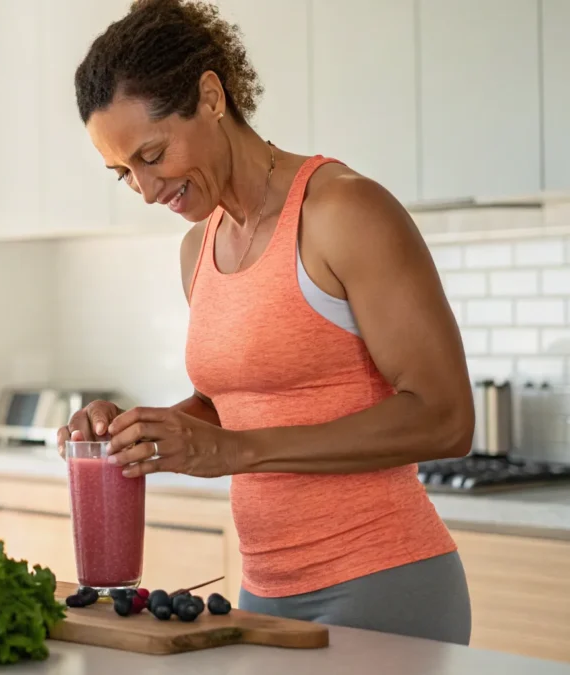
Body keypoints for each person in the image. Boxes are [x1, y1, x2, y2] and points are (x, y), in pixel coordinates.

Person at [56, 0, 473, 645]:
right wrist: (142, 430)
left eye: (153, 153)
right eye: (123, 173)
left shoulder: (342, 210)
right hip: (264, 590)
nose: (144, 189)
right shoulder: (200, 247)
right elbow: (234, 406)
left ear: (212, 96)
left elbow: (446, 418)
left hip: (383, 577)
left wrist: (236, 452)